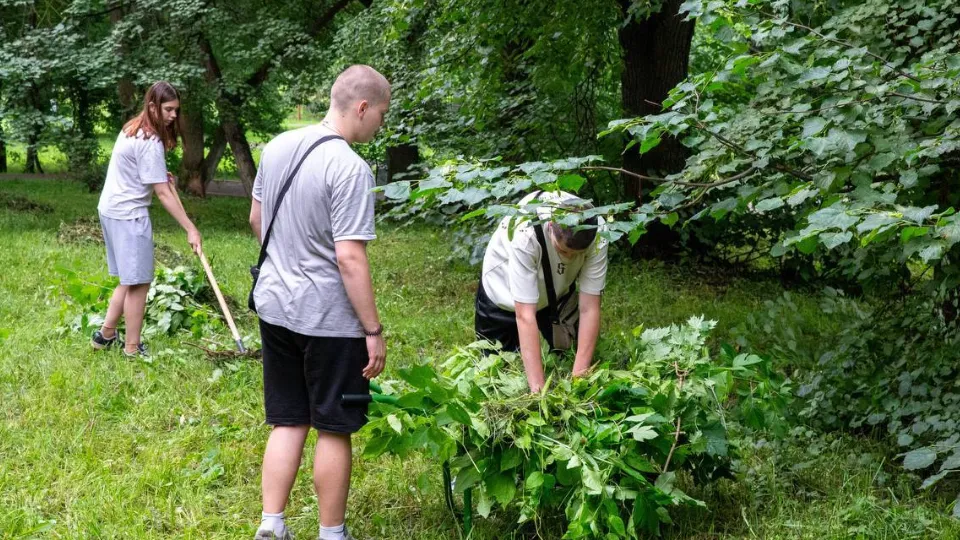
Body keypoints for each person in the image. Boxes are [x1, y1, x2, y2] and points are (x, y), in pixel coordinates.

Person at [248, 65, 390, 540]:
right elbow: (349, 257)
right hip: (329, 320)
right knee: (333, 426)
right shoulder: (351, 167)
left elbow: (256, 219)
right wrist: (373, 330)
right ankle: (331, 534)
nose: (381, 126)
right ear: (362, 107)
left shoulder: (278, 146)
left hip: (274, 306)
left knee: (288, 419)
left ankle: (272, 524)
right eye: (382, 115)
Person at [92, 81, 202, 357]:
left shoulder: (133, 127)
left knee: (128, 280)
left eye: (176, 110)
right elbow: (164, 194)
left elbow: (138, 170)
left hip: (110, 209)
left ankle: (105, 335)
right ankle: (131, 347)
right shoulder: (151, 141)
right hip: (129, 216)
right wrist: (190, 228)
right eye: (168, 109)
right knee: (139, 282)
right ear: (153, 106)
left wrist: (158, 176)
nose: (174, 115)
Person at [475, 190, 609, 393]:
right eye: (564, 252)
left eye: (578, 255)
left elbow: (590, 307)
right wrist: (538, 394)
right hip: (502, 296)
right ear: (550, 227)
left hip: (555, 295)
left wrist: (579, 380)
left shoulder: (598, 231)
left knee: (564, 354)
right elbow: (525, 315)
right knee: (498, 373)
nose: (571, 259)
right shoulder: (525, 232)